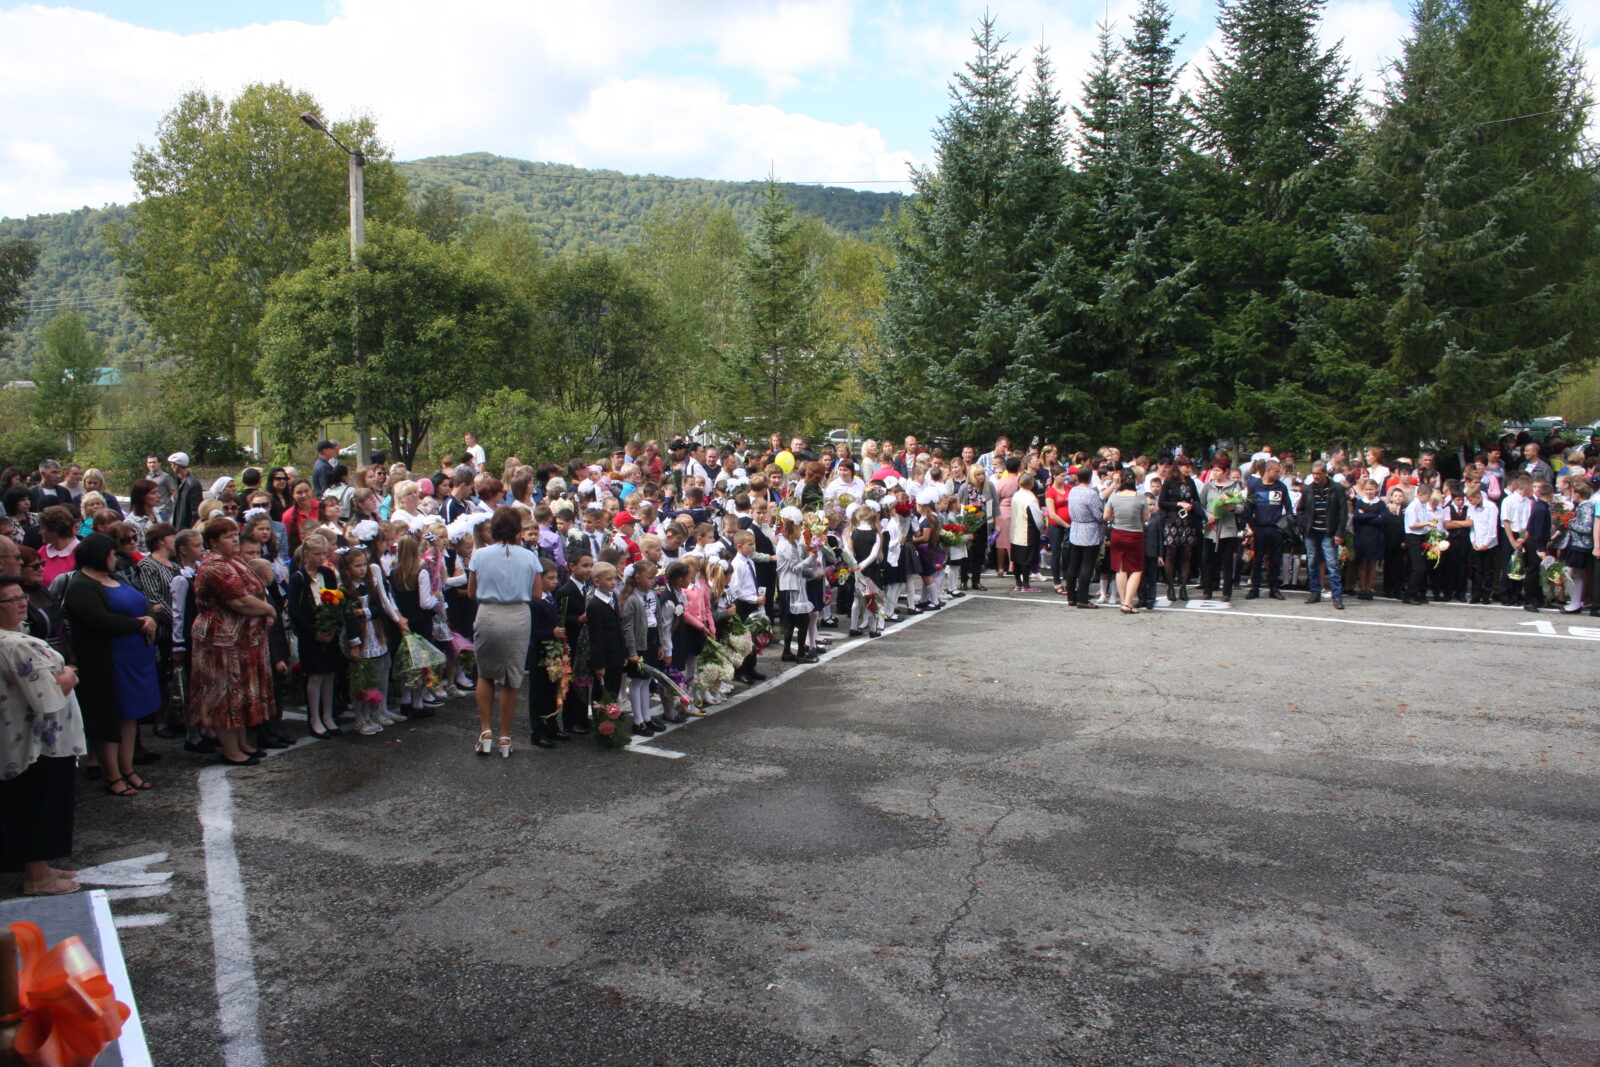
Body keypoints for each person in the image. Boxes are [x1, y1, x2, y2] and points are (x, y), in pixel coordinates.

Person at [0, 574, 86, 897]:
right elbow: (47, 696)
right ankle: (37, 875)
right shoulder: (17, 645)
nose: (22, 603)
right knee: (38, 802)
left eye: (22, 597)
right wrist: (69, 676)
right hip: (38, 741)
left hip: (21, 736)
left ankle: (41, 867)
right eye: (12, 600)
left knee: (37, 800)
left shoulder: (16, 637)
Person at [63, 533, 160, 796]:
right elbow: (98, 620)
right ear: (98, 555)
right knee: (108, 717)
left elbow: (143, 603)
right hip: (106, 661)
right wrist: (140, 624)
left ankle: (127, 768)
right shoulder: (81, 585)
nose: (115, 558)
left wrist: (150, 618)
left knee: (129, 716)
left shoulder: (114, 578)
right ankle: (113, 775)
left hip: (134, 660)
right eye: (111, 553)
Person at [188, 517, 276, 763]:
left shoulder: (235, 560)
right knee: (225, 694)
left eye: (235, 535)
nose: (235, 540)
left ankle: (241, 742)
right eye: (228, 537)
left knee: (242, 691)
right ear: (214, 542)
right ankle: (230, 750)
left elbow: (256, 590)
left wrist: (264, 609)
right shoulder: (215, 565)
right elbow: (240, 601)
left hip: (244, 639)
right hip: (220, 640)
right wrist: (269, 611)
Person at [467, 507, 542, 757]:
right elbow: (537, 595)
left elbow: (471, 591)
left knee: (485, 674)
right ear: (518, 530)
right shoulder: (530, 557)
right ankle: (506, 737)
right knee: (511, 678)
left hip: (488, 613)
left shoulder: (481, 555)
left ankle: (486, 730)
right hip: (518, 615)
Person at [288, 534, 342, 738]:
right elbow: (294, 610)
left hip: (329, 630)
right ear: (306, 553)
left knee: (329, 674)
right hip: (311, 634)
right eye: (317, 554)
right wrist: (314, 632)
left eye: (324, 554)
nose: (321, 558)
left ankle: (328, 716)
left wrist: (333, 627)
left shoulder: (327, 574)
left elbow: (336, 599)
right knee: (316, 675)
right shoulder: (298, 578)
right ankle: (314, 718)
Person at [1296, 460, 1347, 609]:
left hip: (1329, 532)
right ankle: (1315, 592)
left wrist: (1339, 533)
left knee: (1332, 564)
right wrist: (1303, 526)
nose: (1316, 476)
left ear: (1325, 473)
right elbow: (1300, 509)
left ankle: (1337, 596)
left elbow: (1343, 512)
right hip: (1311, 531)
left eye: (1318, 473)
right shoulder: (1308, 489)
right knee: (1312, 563)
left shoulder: (1337, 489)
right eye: (1313, 473)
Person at [1104, 469, 1150, 613]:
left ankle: (1124, 601)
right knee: (1136, 569)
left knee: (1120, 568)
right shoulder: (1141, 497)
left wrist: (1116, 518)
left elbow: (1106, 516)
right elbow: (1146, 518)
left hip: (1117, 534)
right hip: (1135, 535)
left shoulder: (1114, 496)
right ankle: (1128, 602)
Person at [1245, 460, 1293, 599]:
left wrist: (1285, 525)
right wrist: (1252, 525)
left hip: (1276, 529)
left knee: (1275, 560)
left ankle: (1274, 588)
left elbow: (1288, 508)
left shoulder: (1281, 487)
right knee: (1257, 559)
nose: (1279, 474)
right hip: (1259, 528)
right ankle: (1255, 588)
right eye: (1277, 471)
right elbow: (1249, 508)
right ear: (1269, 470)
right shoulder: (1255, 486)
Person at [1065, 467, 1106, 608]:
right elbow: (1099, 515)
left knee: (1074, 564)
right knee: (1087, 565)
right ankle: (1082, 598)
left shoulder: (1072, 491)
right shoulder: (1091, 494)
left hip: (1076, 528)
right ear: (1089, 478)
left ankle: (1071, 595)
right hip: (1089, 530)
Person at [1349, 477, 1385, 601]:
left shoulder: (1380, 503)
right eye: (1367, 489)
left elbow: (1382, 519)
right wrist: (1373, 515)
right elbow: (1358, 517)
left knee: (1372, 564)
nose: (1369, 492)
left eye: (1371, 489)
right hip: (1362, 536)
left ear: (1376, 490)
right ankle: (1362, 588)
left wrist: (1366, 516)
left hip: (1375, 536)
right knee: (1362, 563)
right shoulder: (1360, 502)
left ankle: (1369, 588)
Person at [1009, 473, 1045, 592]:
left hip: (1015, 531)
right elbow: (1037, 518)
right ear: (1031, 484)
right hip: (1028, 532)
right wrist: (1042, 528)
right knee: (1027, 560)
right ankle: (1026, 584)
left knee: (1017, 559)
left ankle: (1018, 583)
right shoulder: (1031, 498)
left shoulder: (1016, 495)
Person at [169, 452, 203, 532]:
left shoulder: (192, 484)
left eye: (172, 464)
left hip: (186, 530)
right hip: (179, 528)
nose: (171, 467)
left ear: (177, 465)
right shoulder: (179, 481)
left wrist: (192, 530)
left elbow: (196, 511)